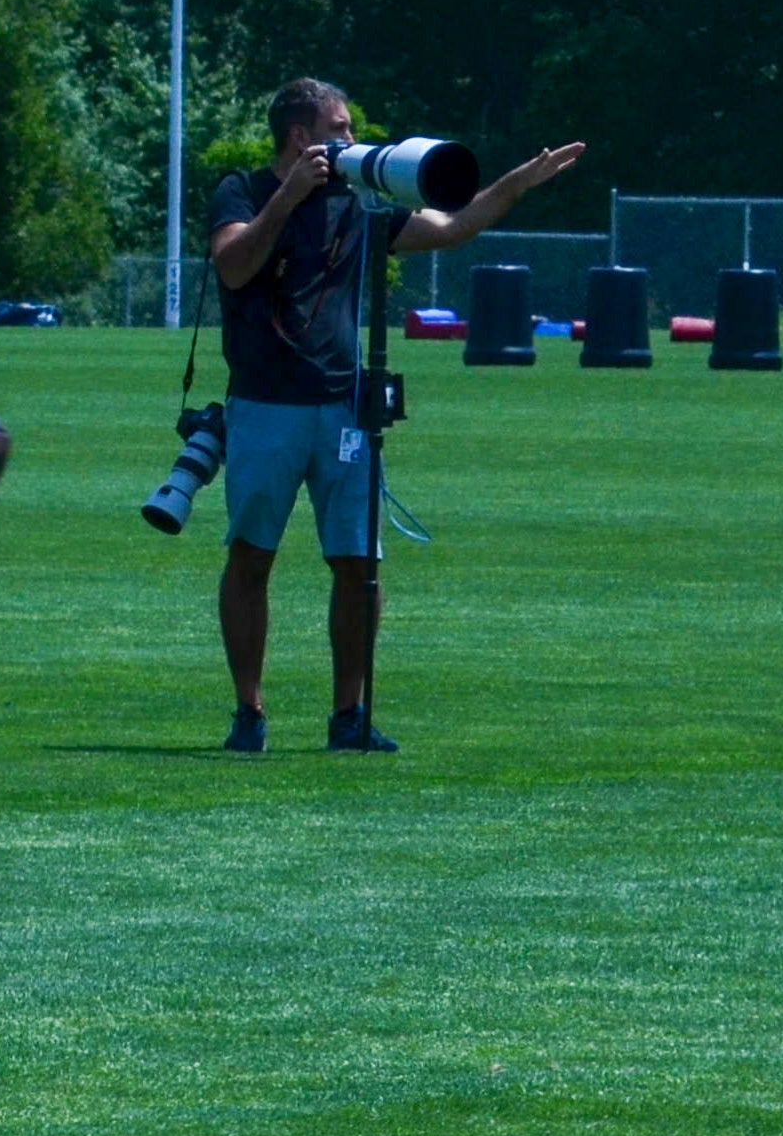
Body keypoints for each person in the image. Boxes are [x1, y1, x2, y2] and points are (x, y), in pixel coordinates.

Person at [207, 79, 583, 751]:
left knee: (358, 563)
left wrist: (518, 182)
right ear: (300, 137)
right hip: (266, 402)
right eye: (340, 129)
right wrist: (289, 197)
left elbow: (453, 226)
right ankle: (249, 713)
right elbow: (233, 267)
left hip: (343, 405)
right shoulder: (243, 191)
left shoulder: (358, 202)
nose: (352, 140)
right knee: (251, 556)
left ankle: (349, 716)